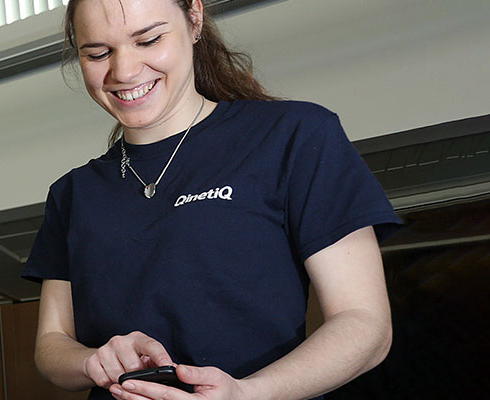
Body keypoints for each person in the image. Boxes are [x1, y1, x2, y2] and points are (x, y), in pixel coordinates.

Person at [25, 1, 401, 399]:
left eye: (149, 40)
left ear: (194, 20)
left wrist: (246, 393)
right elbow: (52, 344)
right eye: (98, 53)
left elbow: (364, 323)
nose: (125, 71)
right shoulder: (73, 193)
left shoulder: (294, 136)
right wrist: (93, 362)